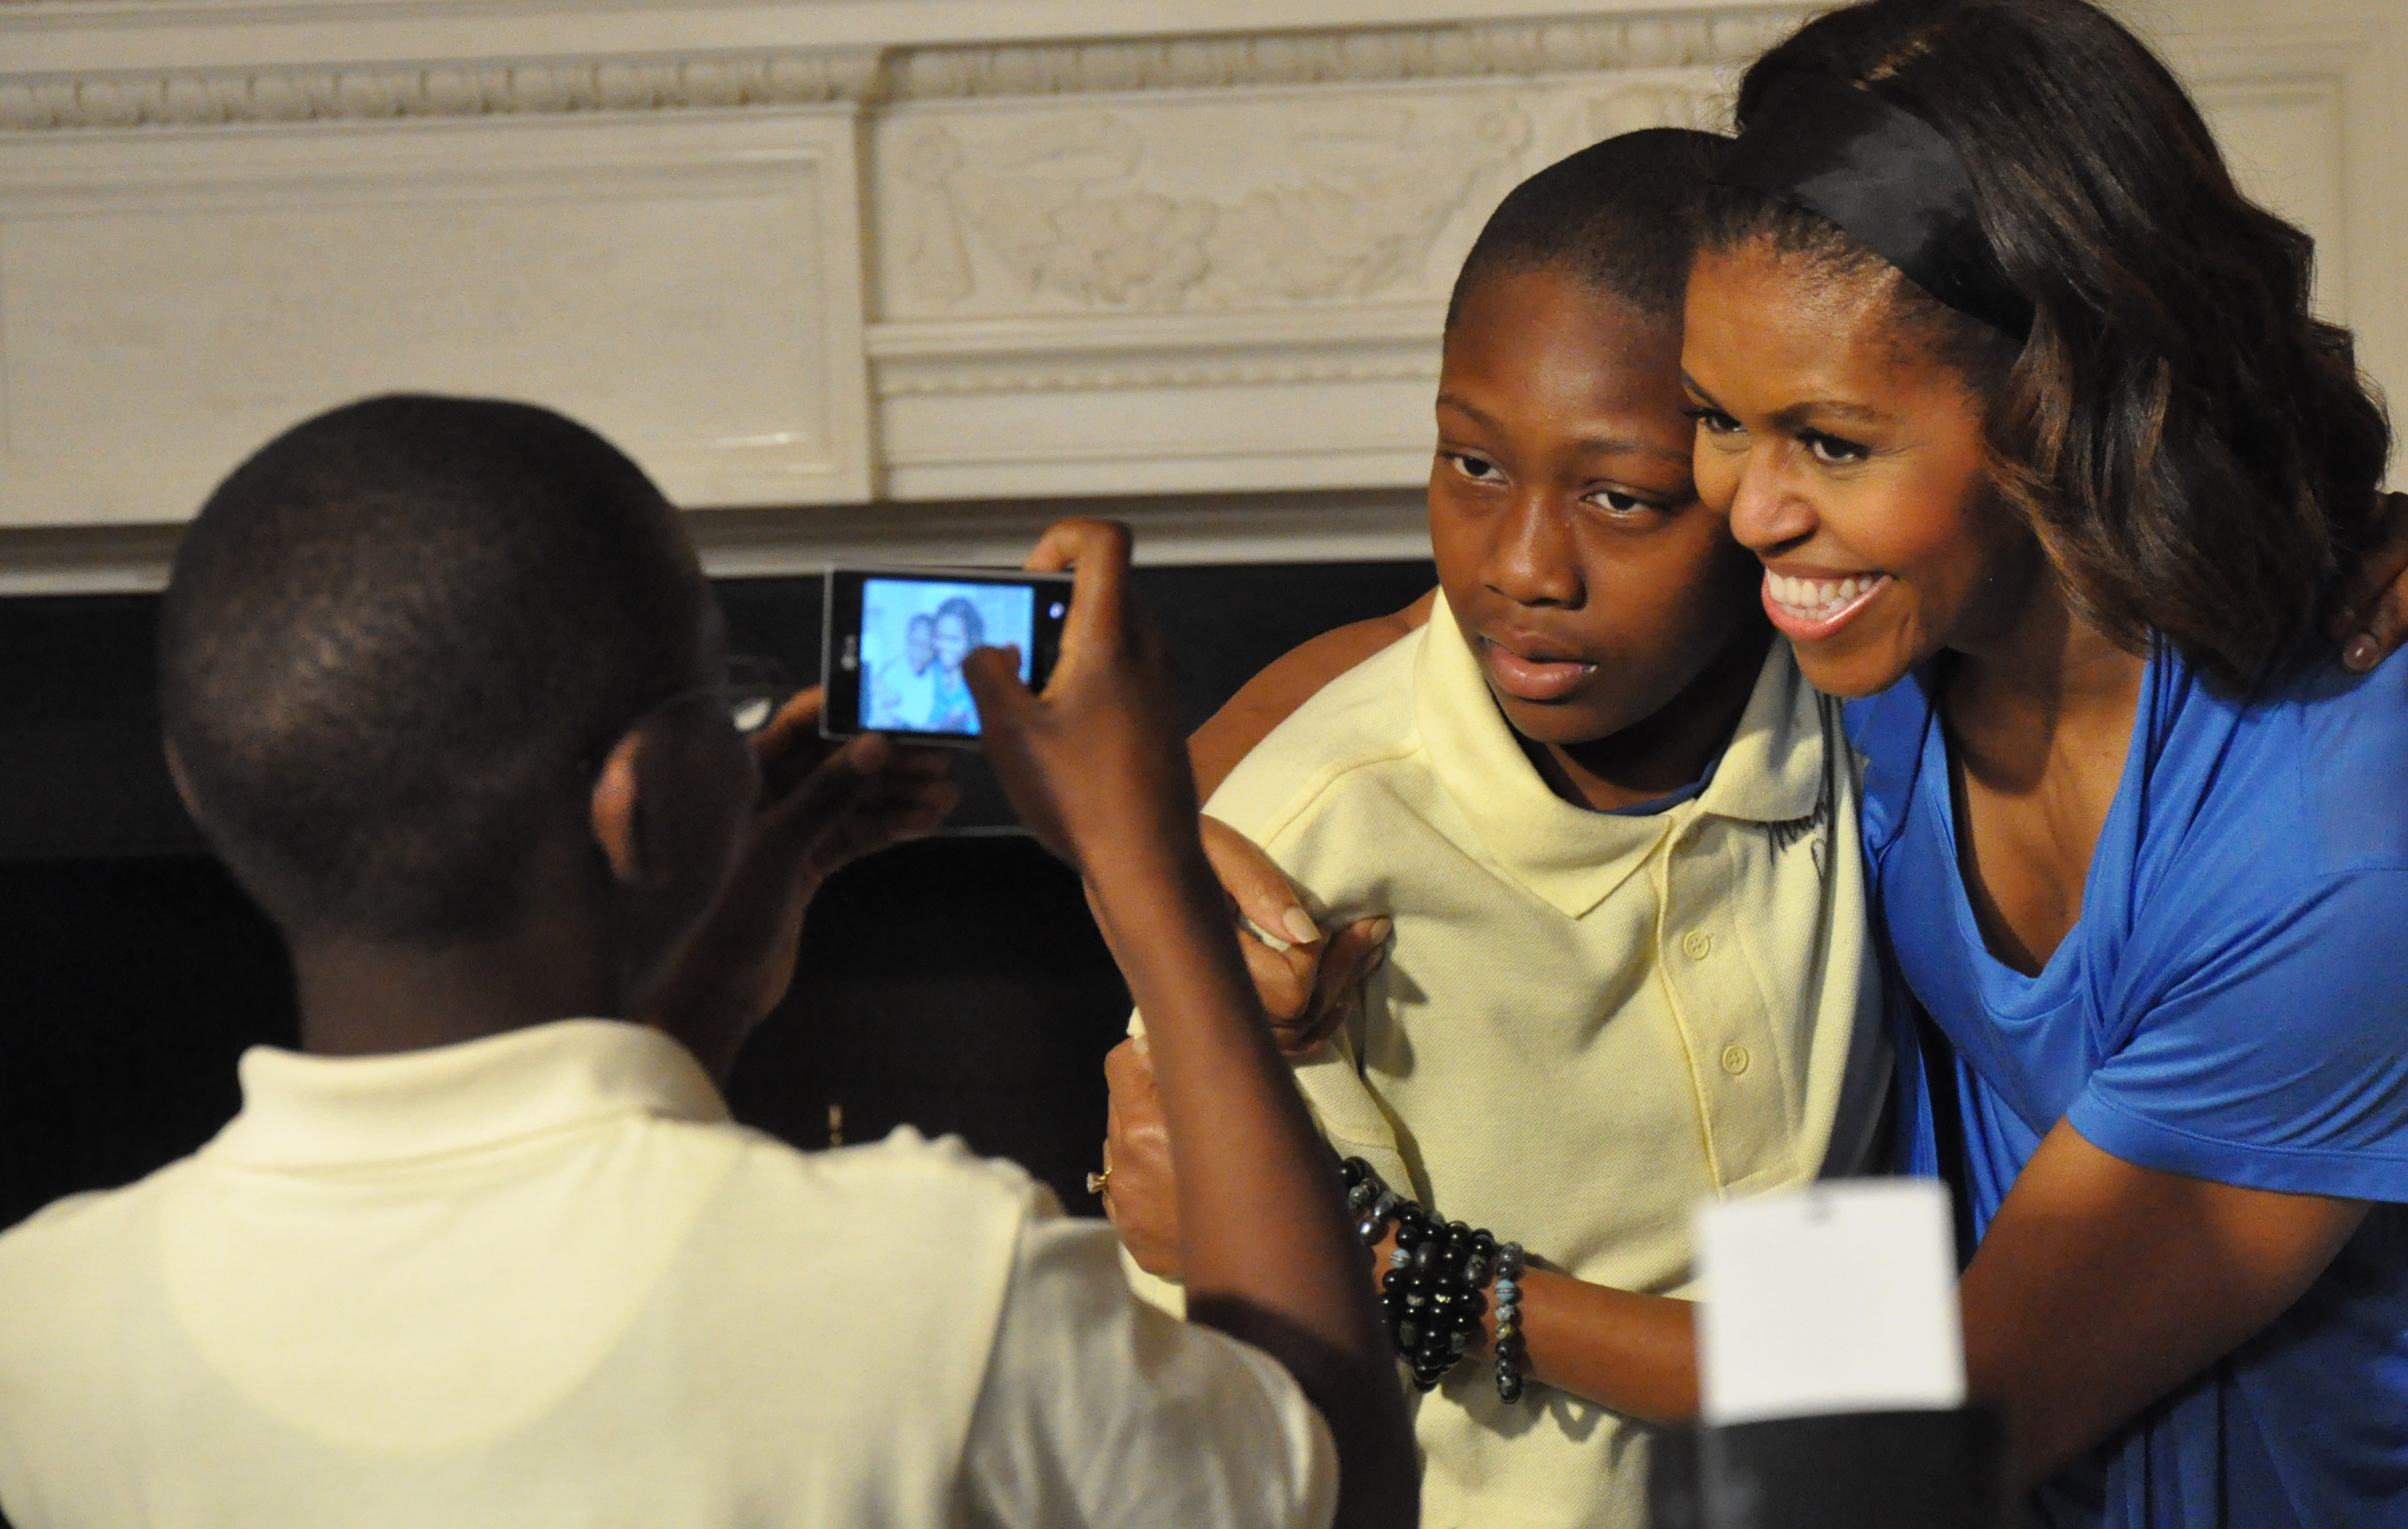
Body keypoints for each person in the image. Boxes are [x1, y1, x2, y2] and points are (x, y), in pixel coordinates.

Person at [1100, 135, 2408, 1529]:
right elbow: (1417, 656)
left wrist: (1413, 1267)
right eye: (1469, 466)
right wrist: (1158, 845)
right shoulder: (1351, 832)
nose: (1526, 564)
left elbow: (1950, 1375)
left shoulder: (1862, 675)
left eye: (1636, 491)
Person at [1678, 0, 2408, 1524]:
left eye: (1829, 441)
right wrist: (1206, 853)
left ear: (2059, 400)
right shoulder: (1880, 617)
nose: (1751, 511)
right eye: (1717, 419)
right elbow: (1502, 637)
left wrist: (1453, 1293)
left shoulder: (2368, 835)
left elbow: (1948, 1418)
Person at [0, 395, 1418, 1529]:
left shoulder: (44, 1329)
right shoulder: (933, 1285)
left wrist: (706, 965)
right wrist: (1145, 866)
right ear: (643, 797)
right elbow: (1325, 1478)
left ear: (204, 784)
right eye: (716, 680)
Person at [927, 596, 989, 736]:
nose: (943, 646)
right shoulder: (931, 670)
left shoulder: (982, 684)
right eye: (939, 636)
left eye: (953, 640)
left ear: (972, 641)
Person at [876, 609, 940, 728]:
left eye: (926, 645)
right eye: (915, 643)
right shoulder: (893, 671)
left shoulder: (936, 673)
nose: (919, 651)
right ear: (907, 640)